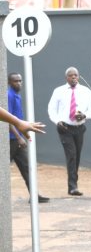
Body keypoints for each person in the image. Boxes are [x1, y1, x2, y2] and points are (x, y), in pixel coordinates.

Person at [47, 67, 91, 196]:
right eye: (71, 75)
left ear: (79, 77)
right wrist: (58, 121)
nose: (74, 77)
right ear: (66, 78)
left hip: (79, 128)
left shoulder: (86, 91)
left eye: (76, 75)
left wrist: (85, 115)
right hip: (65, 128)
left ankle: (73, 184)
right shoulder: (59, 91)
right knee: (72, 155)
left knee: (77, 156)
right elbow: (52, 109)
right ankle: (73, 186)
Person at [7, 73, 49, 203]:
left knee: (27, 166)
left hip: (16, 139)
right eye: (15, 81)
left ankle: (34, 195)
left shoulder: (16, 95)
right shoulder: (8, 95)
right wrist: (19, 138)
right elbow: (7, 120)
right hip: (10, 140)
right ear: (9, 82)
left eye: (20, 81)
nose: (19, 83)